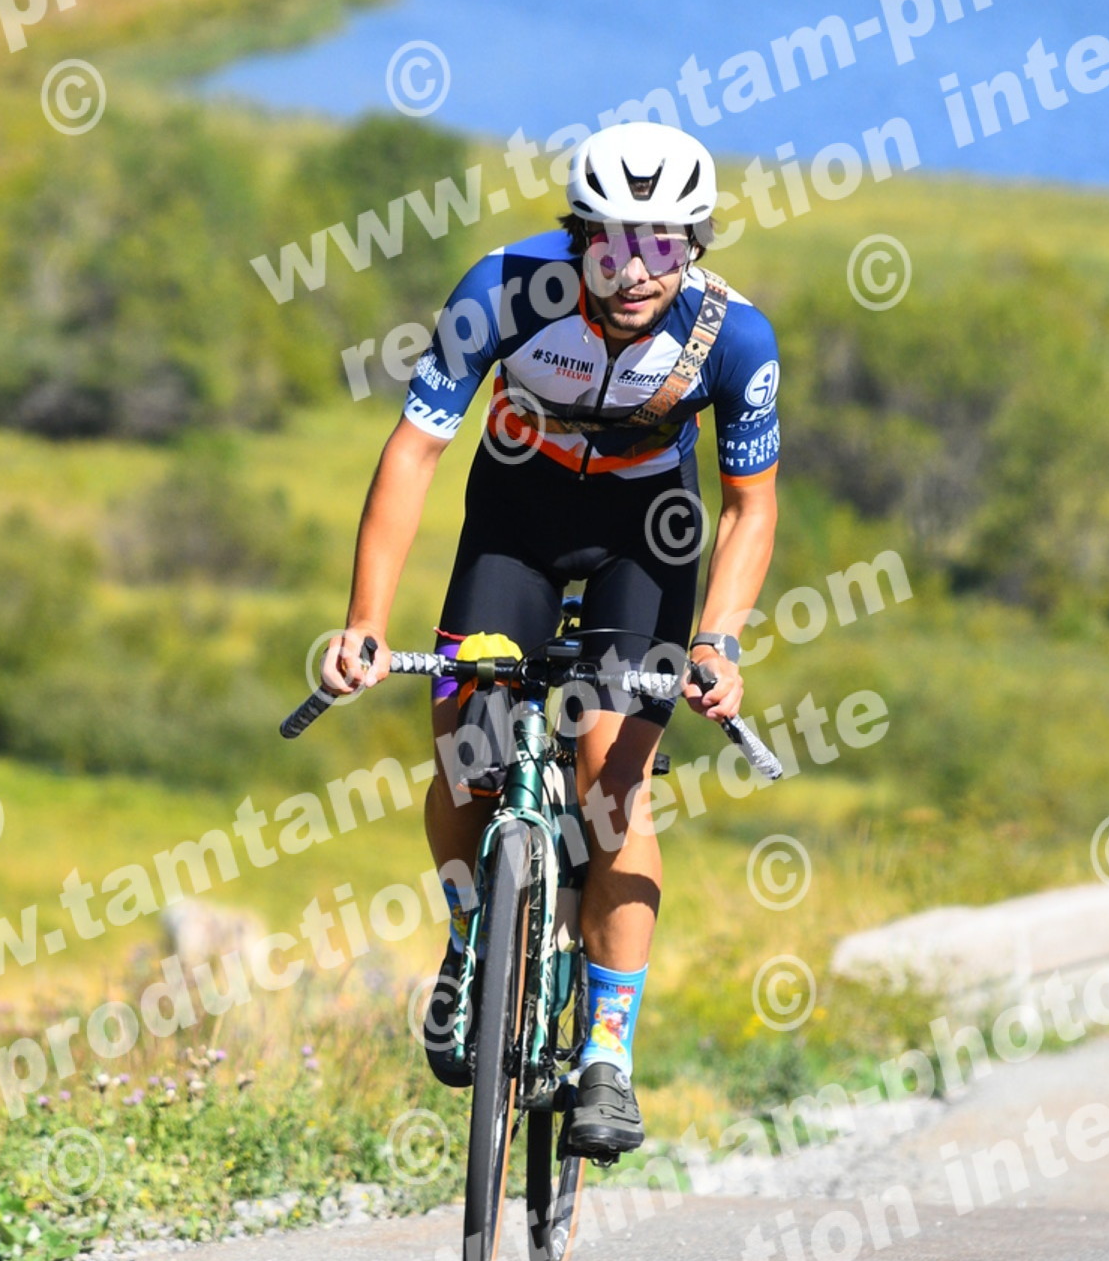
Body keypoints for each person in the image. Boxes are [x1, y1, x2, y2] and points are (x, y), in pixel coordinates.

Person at [318, 121, 782, 1159]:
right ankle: (468, 935)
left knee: (613, 784)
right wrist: (365, 621)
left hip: (648, 537)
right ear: (579, 235)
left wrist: (718, 641)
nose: (635, 269)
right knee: (467, 752)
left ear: (695, 243)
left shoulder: (734, 337)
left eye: (663, 244)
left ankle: (607, 1055)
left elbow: (750, 507)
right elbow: (414, 450)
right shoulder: (501, 289)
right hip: (515, 525)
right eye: (613, 241)